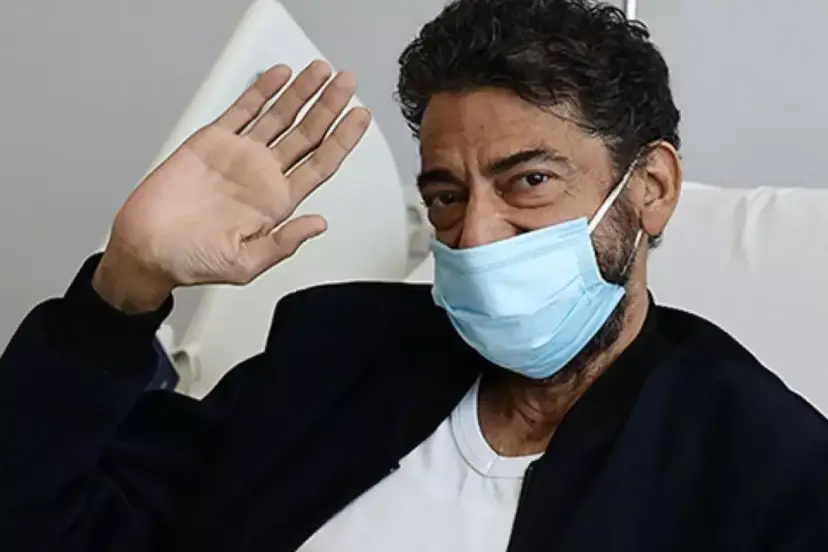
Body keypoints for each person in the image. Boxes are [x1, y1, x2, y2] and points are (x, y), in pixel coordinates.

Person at [1, 0, 827, 550]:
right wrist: (124, 286)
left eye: (529, 181)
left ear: (651, 189)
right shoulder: (333, 361)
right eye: (446, 195)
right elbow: (41, 523)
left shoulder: (764, 472)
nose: (476, 235)